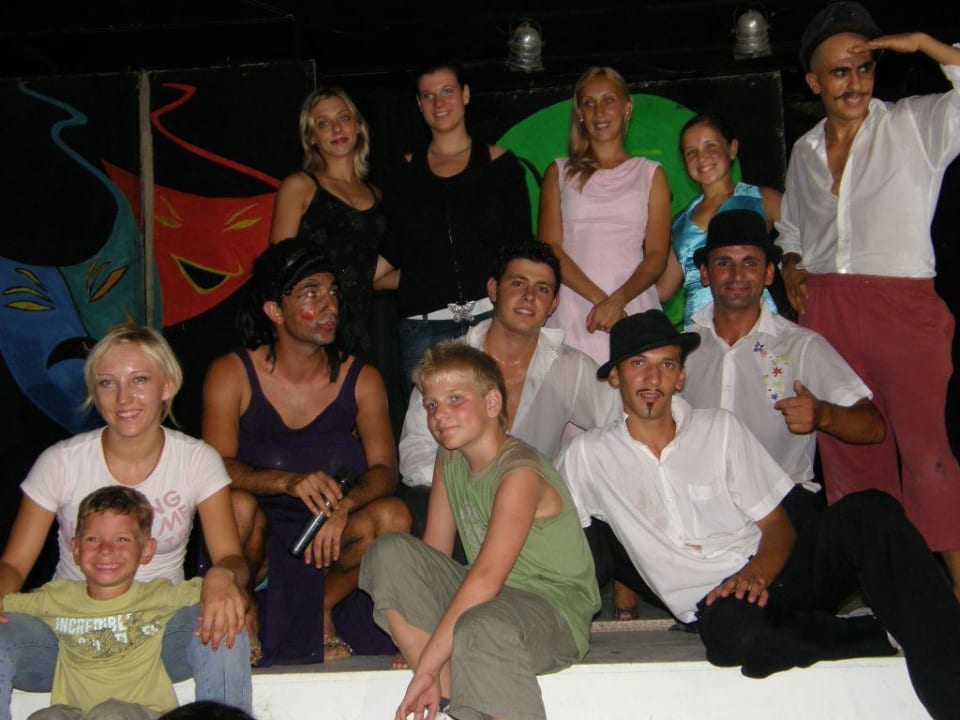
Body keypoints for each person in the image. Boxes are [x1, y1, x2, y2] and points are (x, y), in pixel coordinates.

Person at [557, 310, 960, 720]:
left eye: (667, 364)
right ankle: (872, 632)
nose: (653, 378)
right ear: (615, 376)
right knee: (735, 635)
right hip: (719, 607)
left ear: (681, 377)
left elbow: (777, 525)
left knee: (871, 511)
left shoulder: (719, 429)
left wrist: (757, 574)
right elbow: (557, 536)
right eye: (638, 363)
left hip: (774, 571)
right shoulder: (588, 455)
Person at [776, 1, 960, 595]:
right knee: (852, 461)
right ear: (814, 83)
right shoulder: (804, 152)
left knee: (932, 454)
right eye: (839, 72)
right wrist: (793, 264)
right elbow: (793, 229)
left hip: (903, 306)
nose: (854, 83)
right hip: (828, 312)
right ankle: (891, 603)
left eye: (864, 68)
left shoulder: (913, 124)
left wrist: (927, 45)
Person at [0, 326, 251, 720]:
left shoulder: (196, 460)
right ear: (93, 391)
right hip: (69, 631)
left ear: (167, 386)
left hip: (156, 627)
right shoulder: (61, 461)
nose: (123, 397)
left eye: (139, 380)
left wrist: (223, 576)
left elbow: (231, 557)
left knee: (222, 622)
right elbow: (14, 565)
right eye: (107, 383)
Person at [359, 343, 600, 720]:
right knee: (387, 552)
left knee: (480, 625)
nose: (439, 415)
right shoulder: (449, 458)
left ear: (492, 403)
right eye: (432, 404)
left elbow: (487, 577)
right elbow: (434, 555)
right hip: (492, 600)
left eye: (455, 399)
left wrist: (426, 662)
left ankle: (442, 680)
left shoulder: (519, 471)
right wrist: (424, 639)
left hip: (553, 611)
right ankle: (446, 689)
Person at [202, 237, 410, 665]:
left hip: (327, 536)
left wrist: (344, 505)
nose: (330, 304)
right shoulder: (232, 373)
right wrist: (287, 482)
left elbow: (385, 471)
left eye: (333, 291)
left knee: (394, 516)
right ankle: (248, 609)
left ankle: (321, 606)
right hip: (258, 541)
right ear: (275, 311)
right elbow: (211, 465)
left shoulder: (362, 378)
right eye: (311, 293)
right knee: (237, 506)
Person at [682, 210, 885, 527]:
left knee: (875, 515)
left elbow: (873, 427)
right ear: (705, 274)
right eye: (723, 263)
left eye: (750, 262)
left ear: (768, 274)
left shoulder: (800, 346)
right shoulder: (682, 350)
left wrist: (822, 415)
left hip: (783, 507)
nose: (737, 274)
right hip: (700, 508)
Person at [397, 242, 619, 527]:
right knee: (411, 507)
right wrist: (477, 485)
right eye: (518, 283)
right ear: (493, 290)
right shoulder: (447, 363)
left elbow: (620, 428)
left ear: (553, 304)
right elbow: (414, 455)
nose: (529, 296)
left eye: (542, 289)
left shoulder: (571, 367)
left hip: (533, 520)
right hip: (457, 508)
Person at [377, 60, 532, 400]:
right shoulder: (403, 173)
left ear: (465, 94)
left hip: (493, 321)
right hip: (424, 329)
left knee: (504, 423)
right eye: (428, 95)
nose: (439, 103)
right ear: (419, 105)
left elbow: (522, 252)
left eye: (447, 91)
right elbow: (388, 255)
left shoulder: (502, 166)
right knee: (430, 431)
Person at [3, 487, 209, 720]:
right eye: (93, 539)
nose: (106, 550)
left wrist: (222, 581)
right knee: (47, 717)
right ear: (76, 548)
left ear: (146, 550)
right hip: (78, 713)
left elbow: (218, 593)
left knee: (111, 713)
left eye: (122, 539)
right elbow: (8, 602)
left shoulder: (159, 594)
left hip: (143, 712)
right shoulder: (56, 597)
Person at [538, 65, 671, 365]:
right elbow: (550, 249)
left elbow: (657, 255)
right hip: (573, 310)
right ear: (579, 114)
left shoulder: (651, 173)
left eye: (608, 100)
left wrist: (619, 300)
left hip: (633, 305)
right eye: (589, 103)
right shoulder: (558, 172)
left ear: (627, 107)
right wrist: (603, 302)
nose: (599, 112)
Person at [269, 87, 391, 364]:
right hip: (311, 328)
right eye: (324, 123)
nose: (336, 129)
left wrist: (430, 276)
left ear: (358, 126)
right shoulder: (300, 186)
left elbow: (373, 275)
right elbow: (277, 269)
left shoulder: (378, 196)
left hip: (364, 330)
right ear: (311, 137)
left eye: (343, 118)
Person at [655, 114, 781, 326]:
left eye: (710, 146)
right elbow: (663, 290)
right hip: (701, 329)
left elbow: (802, 238)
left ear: (732, 148)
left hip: (753, 323)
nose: (702, 157)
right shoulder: (681, 223)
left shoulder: (762, 199)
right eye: (691, 152)